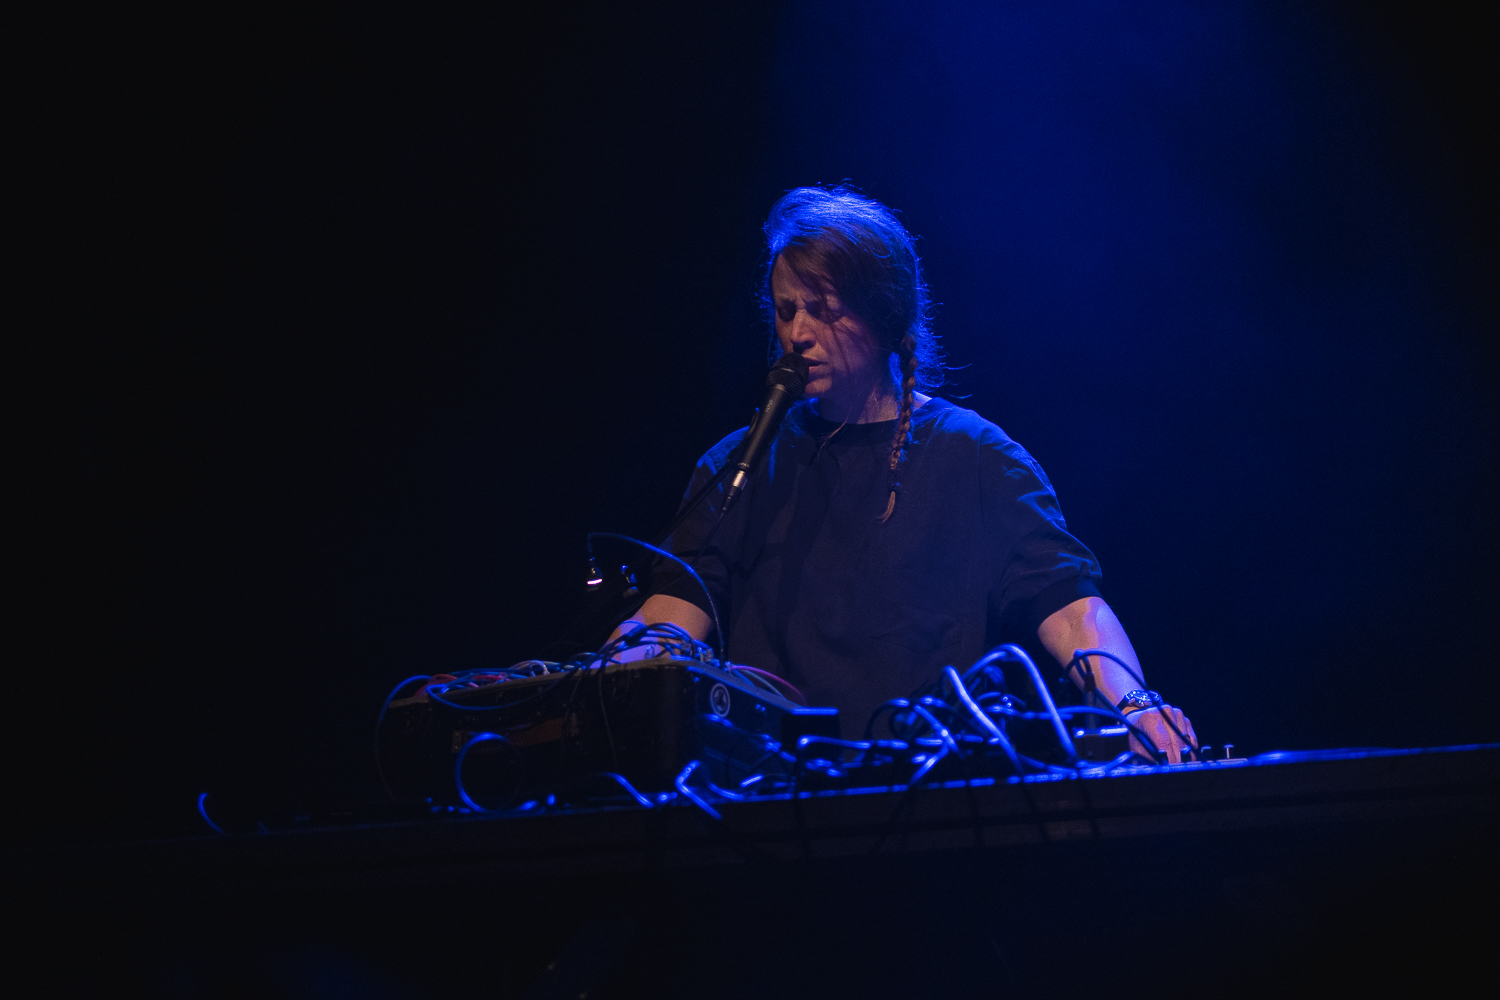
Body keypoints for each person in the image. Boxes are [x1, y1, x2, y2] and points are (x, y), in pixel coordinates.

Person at [612, 185, 1195, 763]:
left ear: (884, 316)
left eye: (824, 310)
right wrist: (615, 666)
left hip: (931, 790)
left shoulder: (977, 458)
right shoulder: (737, 468)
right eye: (787, 312)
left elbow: (1072, 609)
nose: (798, 333)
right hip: (771, 794)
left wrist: (1136, 705)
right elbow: (672, 615)